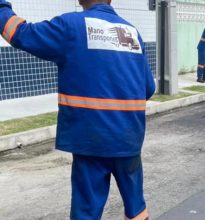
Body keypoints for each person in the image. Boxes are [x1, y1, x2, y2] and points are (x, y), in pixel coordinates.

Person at [0, 0, 155, 219]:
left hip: (91, 140)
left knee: (87, 211)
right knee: (136, 206)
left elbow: (19, 33)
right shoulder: (131, 32)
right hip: (129, 138)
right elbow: (148, 87)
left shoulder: (71, 26)